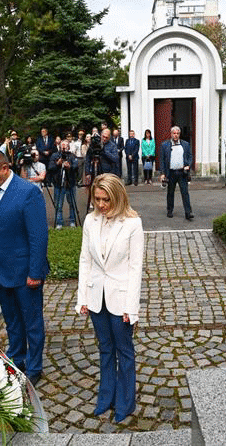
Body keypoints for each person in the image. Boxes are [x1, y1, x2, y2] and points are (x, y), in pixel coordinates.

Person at [0, 149, 49, 386]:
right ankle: (17, 358)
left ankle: (35, 366)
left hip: (24, 271)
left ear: (5, 168)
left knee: (31, 321)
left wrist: (35, 273)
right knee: (12, 319)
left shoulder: (28, 192)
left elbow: (38, 237)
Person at [76, 173, 144, 423]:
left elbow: (136, 268)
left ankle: (125, 403)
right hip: (96, 297)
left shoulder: (132, 224)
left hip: (121, 298)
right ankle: (105, 398)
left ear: (117, 197)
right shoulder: (90, 221)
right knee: (105, 348)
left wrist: (131, 308)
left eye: (106, 200)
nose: (101, 205)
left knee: (124, 350)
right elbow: (86, 260)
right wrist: (82, 296)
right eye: (97, 199)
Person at [160, 126, 193, 220]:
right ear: (171, 134)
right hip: (170, 173)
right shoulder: (165, 145)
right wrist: (162, 173)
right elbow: (162, 160)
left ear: (179, 134)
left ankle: (188, 212)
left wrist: (188, 165)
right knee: (170, 193)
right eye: (174, 133)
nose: (176, 135)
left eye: (177, 133)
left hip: (182, 172)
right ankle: (169, 211)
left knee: (185, 192)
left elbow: (190, 156)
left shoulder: (185, 144)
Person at [49, 140, 78, 229]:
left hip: (70, 183)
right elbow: (50, 168)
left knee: (72, 203)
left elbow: (76, 167)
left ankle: (72, 221)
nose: (64, 147)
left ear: (69, 147)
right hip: (58, 184)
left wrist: (70, 167)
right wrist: (57, 164)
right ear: (60, 147)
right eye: (62, 146)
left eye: (65, 146)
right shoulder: (55, 155)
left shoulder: (72, 156)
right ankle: (59, 223)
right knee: (58, 204)